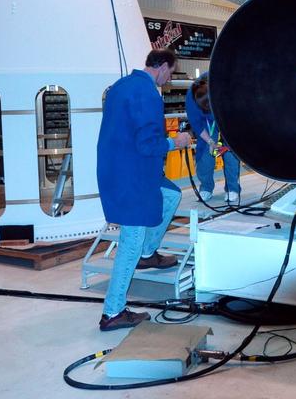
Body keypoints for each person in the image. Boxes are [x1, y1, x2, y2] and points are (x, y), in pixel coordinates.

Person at [95, 48, 193, 331]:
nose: (169, 79)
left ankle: (149, 253)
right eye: (171, 73)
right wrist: (178, 141)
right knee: (130, 242)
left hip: (120, 169)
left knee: (171, 194)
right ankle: (113, 312)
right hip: (132, 177)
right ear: (162, 66)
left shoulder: (122, 86)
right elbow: (148, 144)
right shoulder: (148, 93)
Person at [185, 73, 241, 206]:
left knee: (230, 153)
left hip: (228, 118)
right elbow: (197, 124)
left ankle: (232, 188)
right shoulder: (191, 98)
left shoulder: (227, 88)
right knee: (205, 153)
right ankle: (206, 187)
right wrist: (210, 141)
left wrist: (227, 141)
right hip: (206, 124)